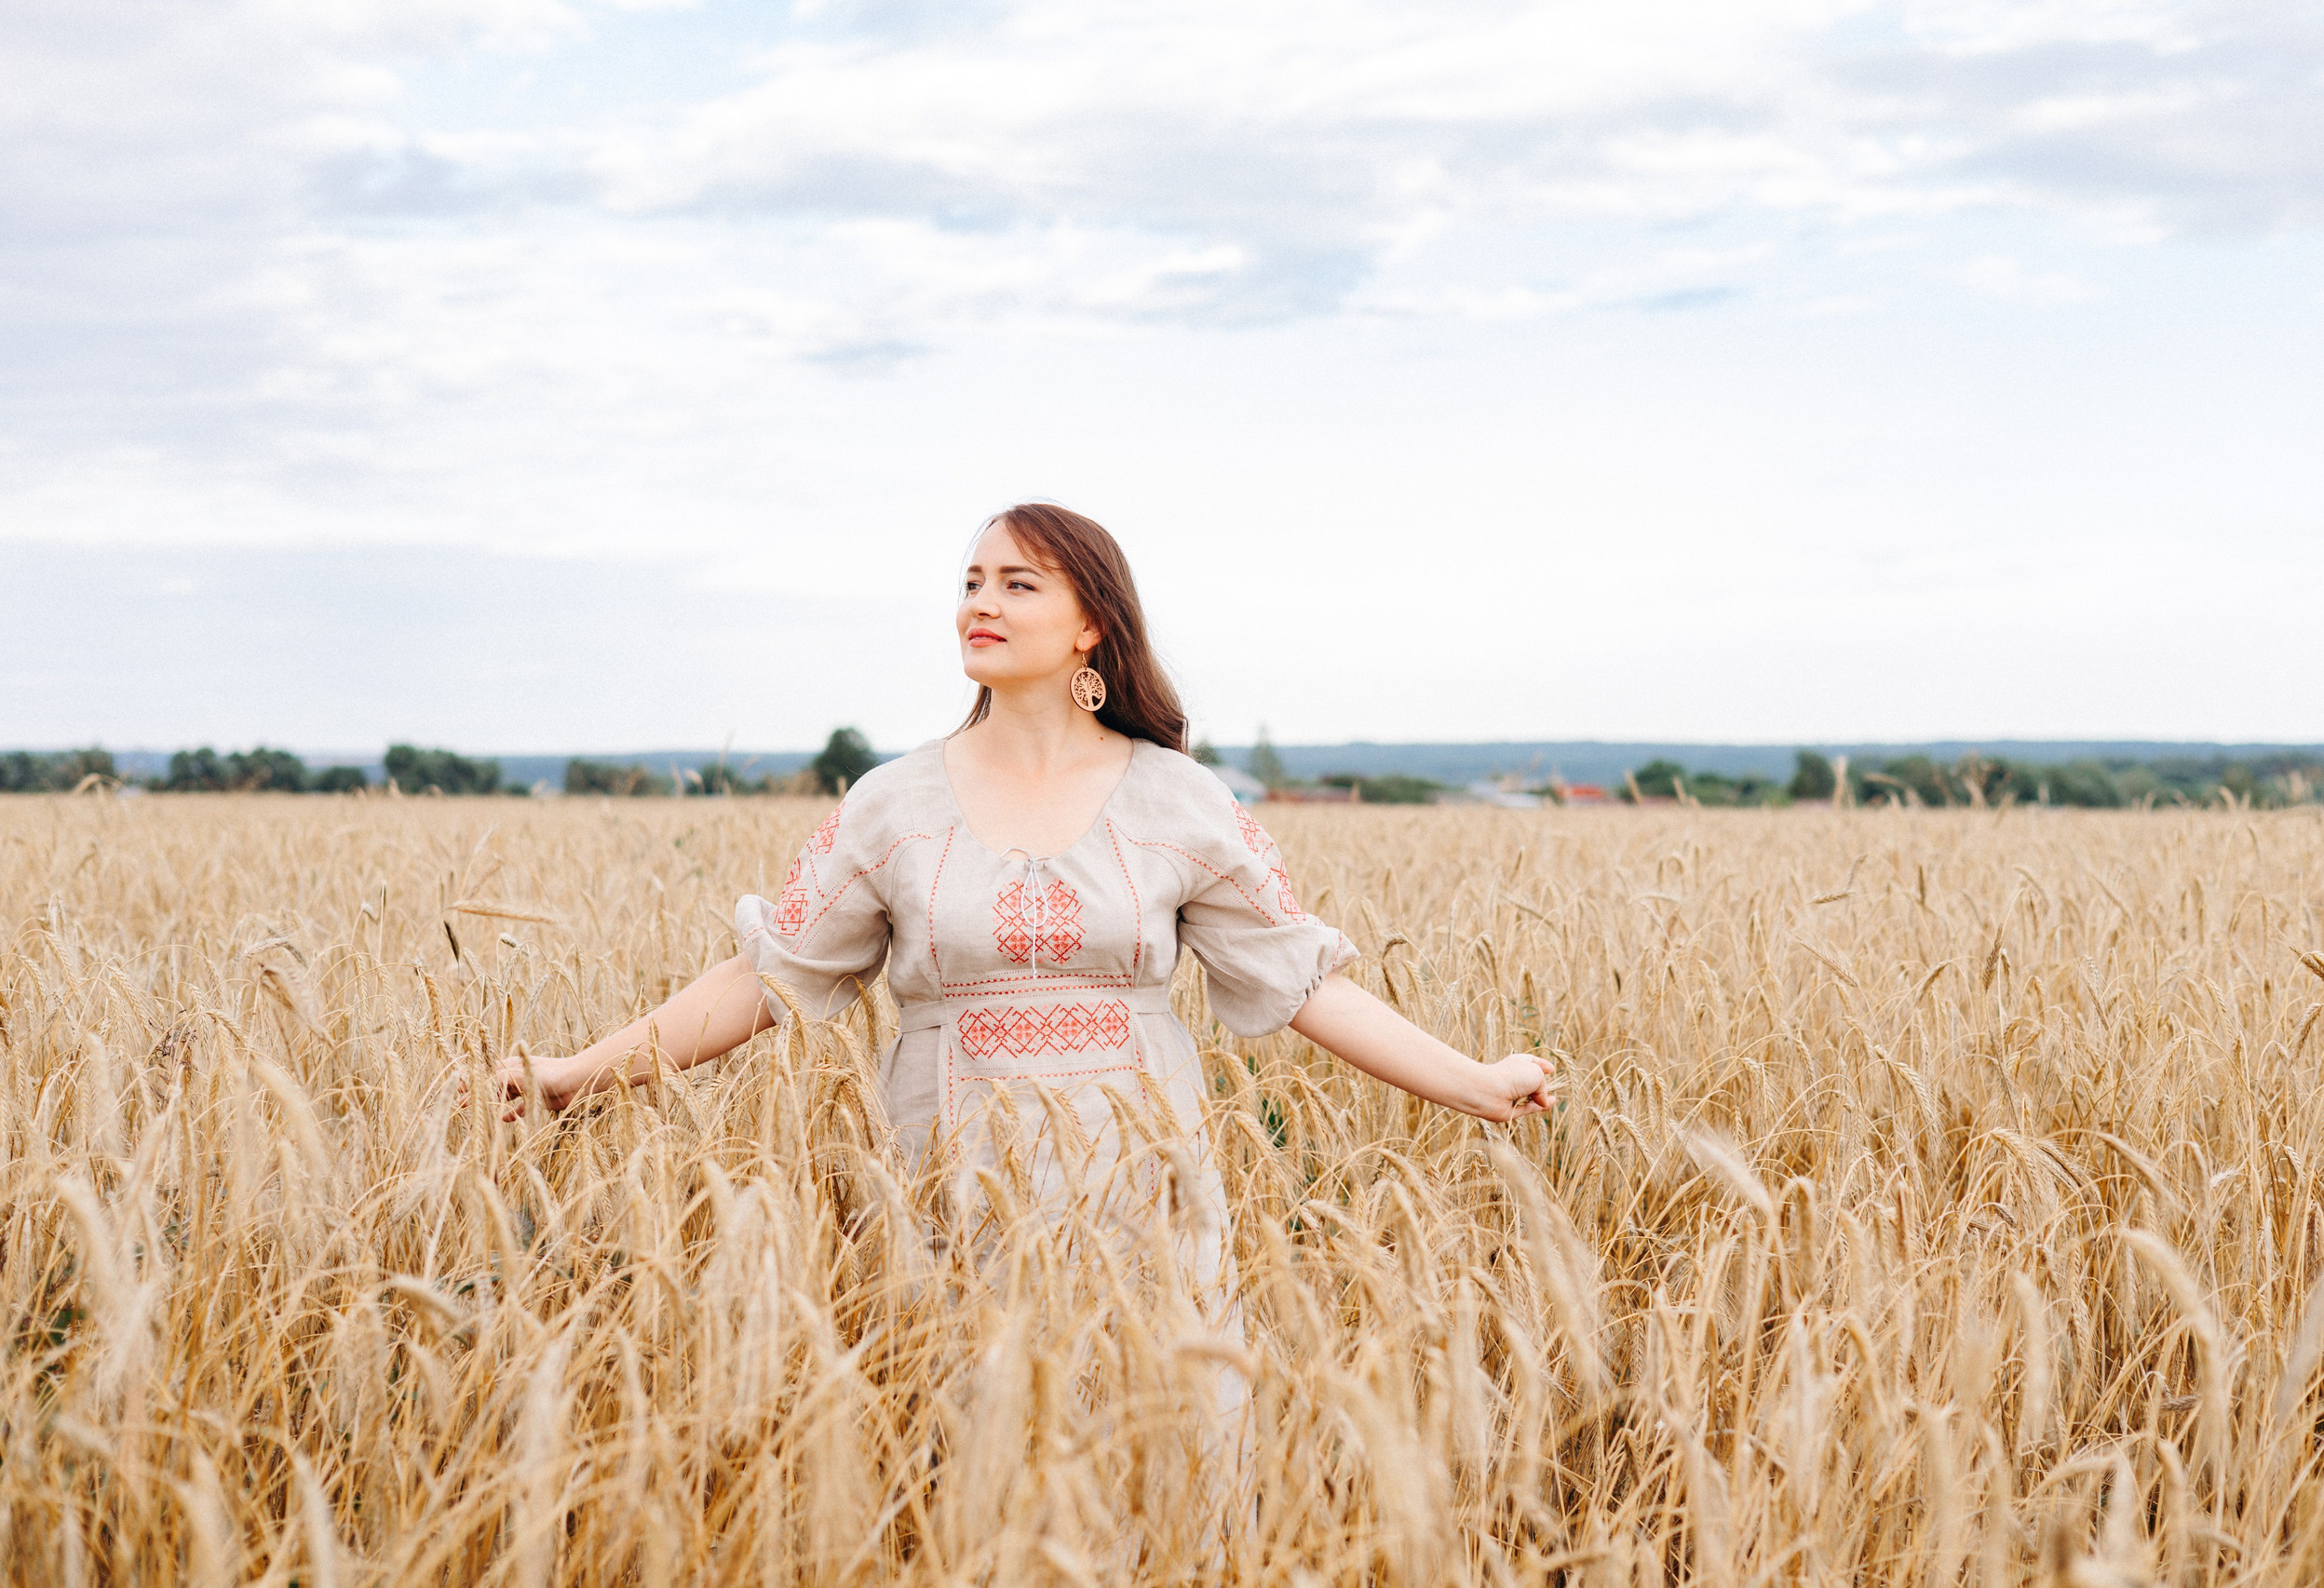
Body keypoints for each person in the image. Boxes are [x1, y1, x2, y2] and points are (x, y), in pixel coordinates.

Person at [473, 501, 1555, 1350]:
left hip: (1141, 1182)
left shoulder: (1178, 798)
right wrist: (578, 1073)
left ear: (1090, 620)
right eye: (970, 581)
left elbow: (1302, 981)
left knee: (1155, 1449)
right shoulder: (891, 804)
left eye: (1017, 582)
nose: (978, 601)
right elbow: (768, 977)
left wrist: (1473, 1080)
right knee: (964, 1452)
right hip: (949, 1173)